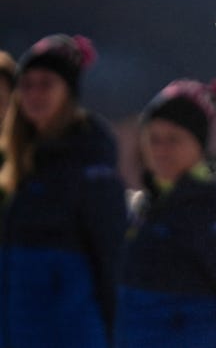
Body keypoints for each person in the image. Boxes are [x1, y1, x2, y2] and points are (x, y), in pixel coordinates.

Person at [0, 34, 127, 348]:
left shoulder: (90, 156)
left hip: (69, 326)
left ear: (68, 91)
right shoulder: (22, 159)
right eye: (26, 85)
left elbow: (110, 252)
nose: (34, 94)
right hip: (19, 321)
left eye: (46, 84)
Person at [114, 79, 216, 348]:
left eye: (174, 139)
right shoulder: (144, 204)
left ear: (199, 143)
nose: (160, 150)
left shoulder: (215, 206)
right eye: (153, 139)